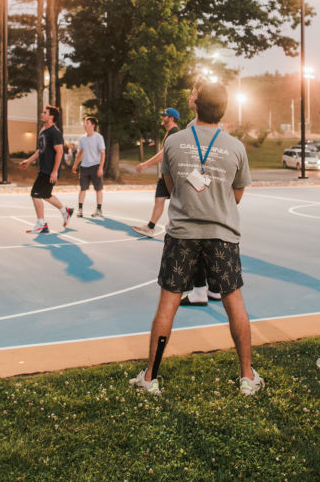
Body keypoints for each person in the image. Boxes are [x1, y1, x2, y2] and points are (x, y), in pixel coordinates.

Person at [129, 82, 260, 396]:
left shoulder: (175, 142)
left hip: (182, 236)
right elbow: (237, 196)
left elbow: (171, 187)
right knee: (235, 304)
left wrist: (192, 202)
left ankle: (150, 378)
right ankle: (246, 377)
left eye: (194, 92)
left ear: (196, 104)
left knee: (167, 305)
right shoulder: (236, 147)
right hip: (222, 235)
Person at [18, 105, 73, 234]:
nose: (42, 114)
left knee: (35, 194)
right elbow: (41, 150)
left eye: (45, 113)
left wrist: (54, 171)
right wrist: (29, 160)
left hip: (49, 170)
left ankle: (41, 224)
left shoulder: (55, 132)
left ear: (51, 117)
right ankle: (66, 210)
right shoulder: (43, 131)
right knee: (45, 194)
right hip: (44, 169)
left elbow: (59, 152)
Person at [133, 107, 182, 238]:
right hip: (165, 174)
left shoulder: (174, 133)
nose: (162, 118)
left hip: (171, 175)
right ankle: (150, 227)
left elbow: (163, 154)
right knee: (159, 200)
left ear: (171, 118)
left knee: (177, 203)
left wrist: (145, 165)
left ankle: (181, 229)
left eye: (164, 116)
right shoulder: (170, 132)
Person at [72, 116, 106, 218]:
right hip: (84, 167)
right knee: (83, 189)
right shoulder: (82, 138)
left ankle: (99, 209)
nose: (85, 125)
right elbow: (80, 153)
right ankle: (80, 209)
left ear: (93, 125)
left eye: (87, 123)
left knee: (98, 189)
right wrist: (75, 165)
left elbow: (103, 153)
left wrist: (100, 167)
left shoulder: (99, 137)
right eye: (85, 123)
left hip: (96, 166)